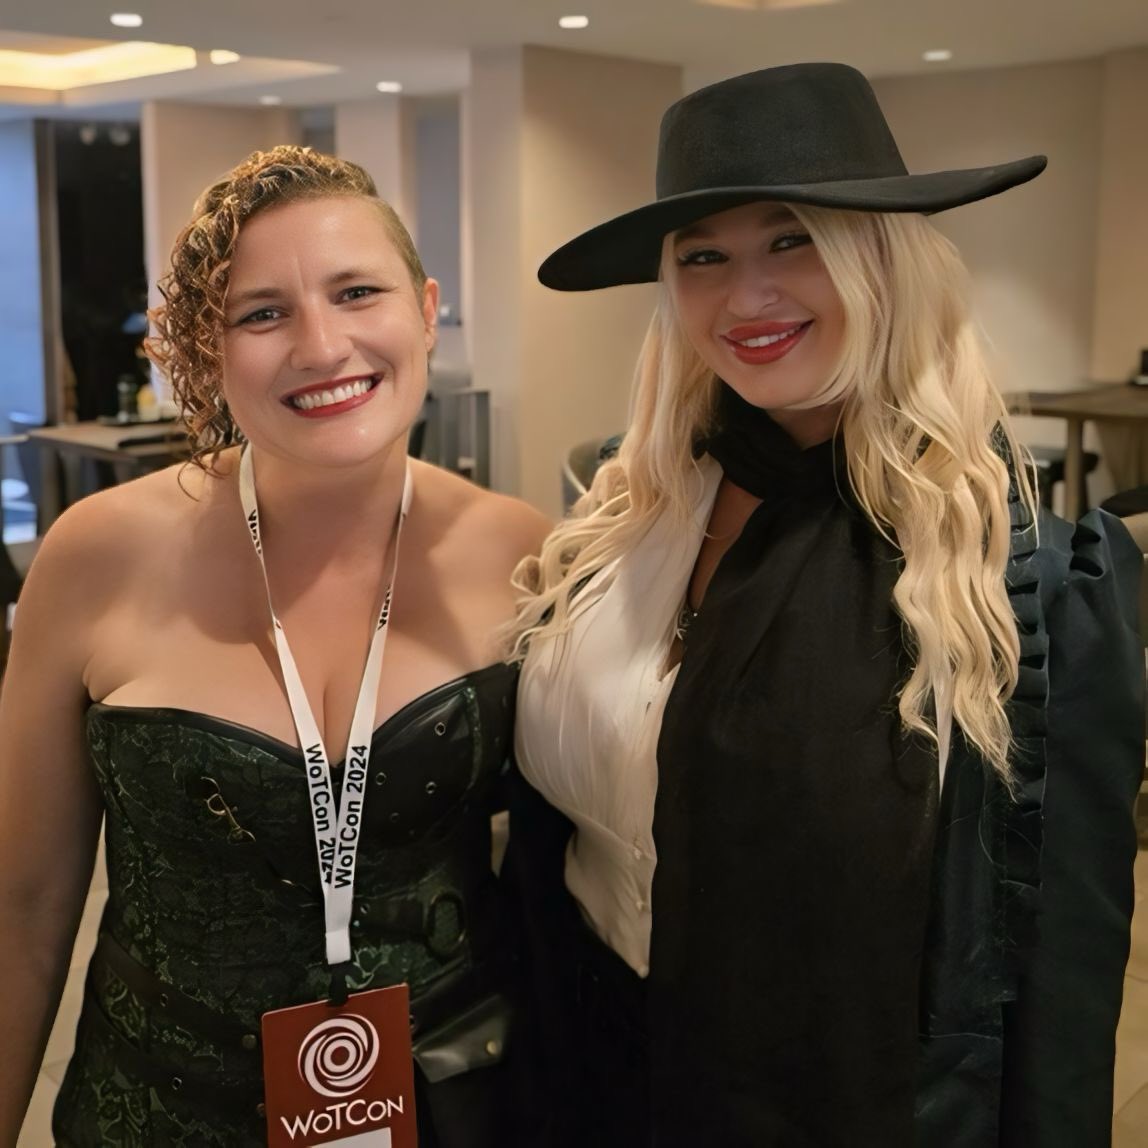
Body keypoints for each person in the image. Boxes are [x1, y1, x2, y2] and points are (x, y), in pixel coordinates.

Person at [504, 63, 1144, 1147]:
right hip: (586, 1073)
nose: (744, 296)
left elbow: (1058, 988)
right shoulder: (632, 510)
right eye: (702, 256)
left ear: (882, 257)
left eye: (792, 239)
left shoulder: (1017, 585)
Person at [0, 145, 548, 1147]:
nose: (322, 344)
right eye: (262, 313)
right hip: (157, 1109)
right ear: (210, 351)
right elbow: (25, 907)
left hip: (456, 1100)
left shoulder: (523, 553)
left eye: (356, 292)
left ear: (426, 310)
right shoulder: (96, 554)